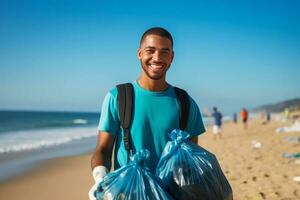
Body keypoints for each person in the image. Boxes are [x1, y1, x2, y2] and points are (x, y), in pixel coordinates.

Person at [88, 27, 206, 200]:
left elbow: (190, 157)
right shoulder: (118, 97)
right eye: (150, 51)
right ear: (139, 53)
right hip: (128, 194)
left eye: (164, 52)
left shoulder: (185, 102)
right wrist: (100, 178)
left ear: (172, 57)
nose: (157, 58)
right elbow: (103, 149)